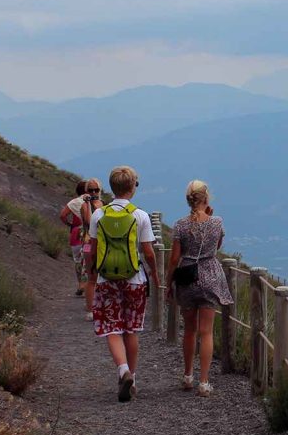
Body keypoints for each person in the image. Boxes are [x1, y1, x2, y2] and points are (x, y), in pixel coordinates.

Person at [87, 166, 158, 402]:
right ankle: (133, 379)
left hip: (107, 279)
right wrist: (155, 275)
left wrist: (91, 272)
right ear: (132, 188)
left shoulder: (99, 215)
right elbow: (148, 252)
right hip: (134, 278)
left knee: (112, 328)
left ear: (111, 187)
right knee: (131, 328)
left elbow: (93, 250)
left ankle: (122, 370)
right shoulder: (141, 216)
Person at [166, 180, 232, 397]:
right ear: (206, 199)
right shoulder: (217, 222)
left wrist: (169, 283)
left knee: (190, 331)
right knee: (207, 332)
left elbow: (175, 258)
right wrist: (211, 215)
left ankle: (187, 376)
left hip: (187, 278)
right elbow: (217, 247)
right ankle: (204, 382)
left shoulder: (180, 225)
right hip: (211, 275)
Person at [80, 178, 105, 321]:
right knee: (92, 278)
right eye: (91, 190)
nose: (94, 193)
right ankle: (90, 310)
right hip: (89, 242)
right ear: (86, 191)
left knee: (101, 277)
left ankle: (100, 306)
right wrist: (89, 204)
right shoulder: (85, 205)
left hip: (101, 242)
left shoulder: (103, 204)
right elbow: (89, 222)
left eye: (96, 190)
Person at [59, 180, 88, 296]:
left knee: (77, 260)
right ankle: (87, 283)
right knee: (88, 259)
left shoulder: (73, 202)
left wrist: (69, 224)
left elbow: (62, 215)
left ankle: (81, 283)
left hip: (76, 232)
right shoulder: (93, 202)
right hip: (88, 233)